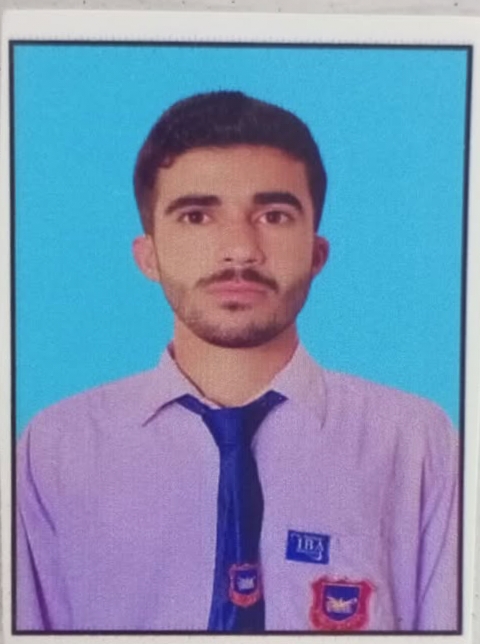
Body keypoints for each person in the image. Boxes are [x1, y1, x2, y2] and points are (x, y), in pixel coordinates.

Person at [16, 91, 459, 633]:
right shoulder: (54, 450)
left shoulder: (417, 445)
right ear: (148, 255)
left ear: (317, 252)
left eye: (273, 215)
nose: (240, 249)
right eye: (197, 216)